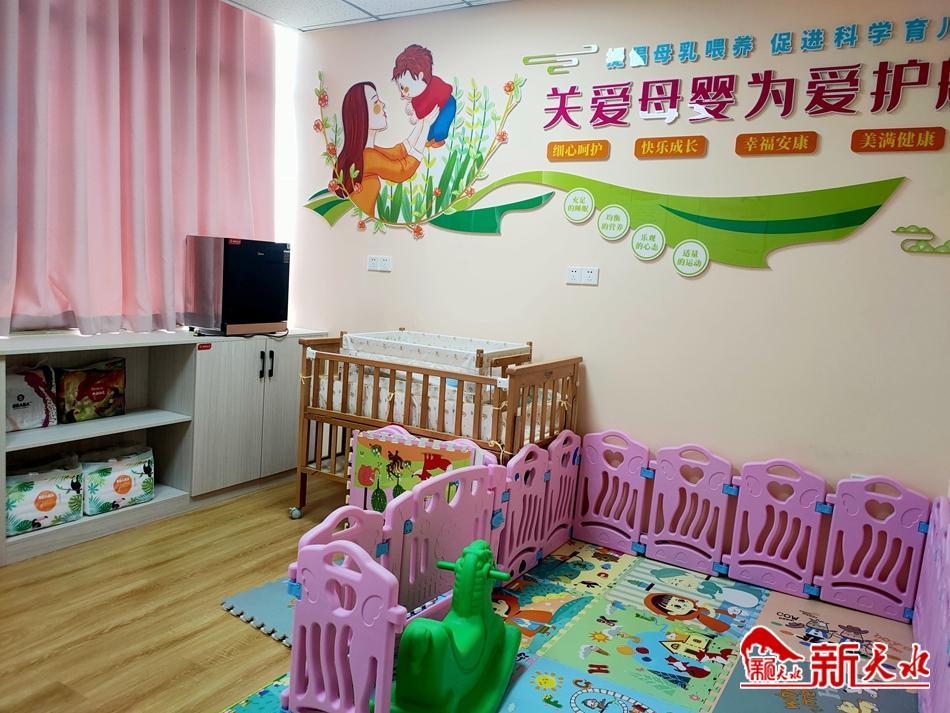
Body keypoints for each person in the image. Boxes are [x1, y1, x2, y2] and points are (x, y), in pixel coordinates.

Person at [334, 82, 425, 218]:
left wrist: (421, 123)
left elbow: (396, 153)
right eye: (375, 102)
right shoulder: (367, 157)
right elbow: (402, 170)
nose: (382, 105)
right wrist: (426, 127)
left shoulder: (367, 152)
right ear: (361, 114)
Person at [392, 44, 457, 149]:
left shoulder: (432, 88)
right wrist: (413, 107)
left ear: (420, 76)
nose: (403, 92)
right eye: (401, 87)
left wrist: (416, 115)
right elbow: (419, 103)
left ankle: (439, 140)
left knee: (440, 126)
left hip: (447, 105)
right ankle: (431, 138)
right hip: (436, 106)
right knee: (429, 126)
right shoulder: (420, 91)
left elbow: (425, 108)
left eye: (406, 88)